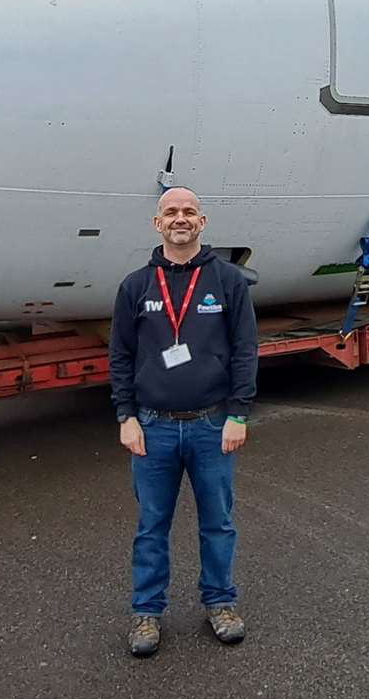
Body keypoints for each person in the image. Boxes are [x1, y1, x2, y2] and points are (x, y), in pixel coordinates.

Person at [108, 186, 258, 657]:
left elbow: (245, 350)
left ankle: (220, 603)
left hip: (211, 425)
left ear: (202, 222)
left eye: (189, 212)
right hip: (151, 428)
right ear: (157, 224)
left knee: (218, 522)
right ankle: (147, 612)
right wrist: (125, 415)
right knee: (152, 524)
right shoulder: (136, 285)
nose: (180, 218)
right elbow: (120, 356)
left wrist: (238, 413)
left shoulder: (228, 281)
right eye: (171, 212)